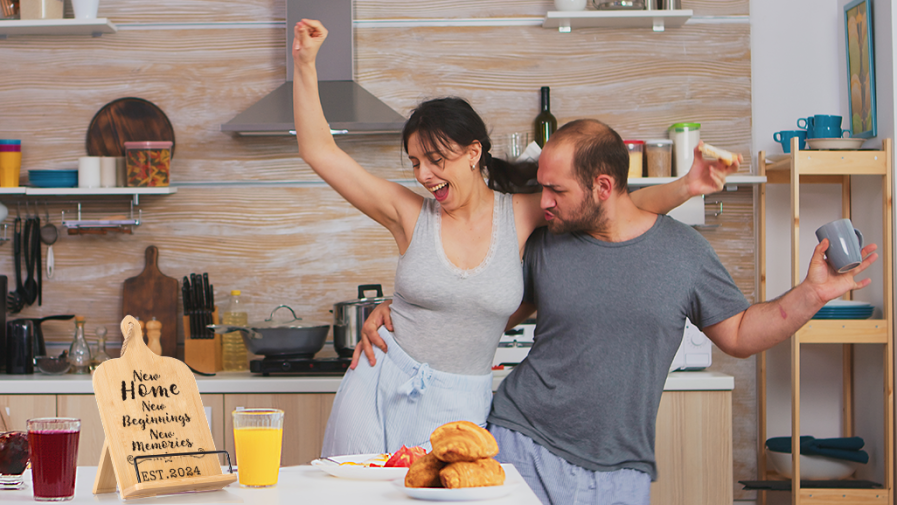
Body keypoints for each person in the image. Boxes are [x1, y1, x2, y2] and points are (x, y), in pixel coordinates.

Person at [357, 119, 878, 505]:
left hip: (623, 471)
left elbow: (740, 334)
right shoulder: (548, 242)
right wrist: (401, 311)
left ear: (603, 187)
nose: (544, 203)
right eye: (542, 188)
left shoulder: (684, 254)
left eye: (557, 191)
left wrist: (813, 293)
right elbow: (479, 306)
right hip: (522, 446)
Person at [290, 18, 737, 457]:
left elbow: (614, 207)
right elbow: (319, 151)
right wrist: (305, 64)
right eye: (414, 163)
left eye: (436, 159)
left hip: (461, 402)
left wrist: (687, 186)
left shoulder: (521, 214)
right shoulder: (408, 215)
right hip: (378, 380)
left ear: (473, 153)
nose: (424, 175)